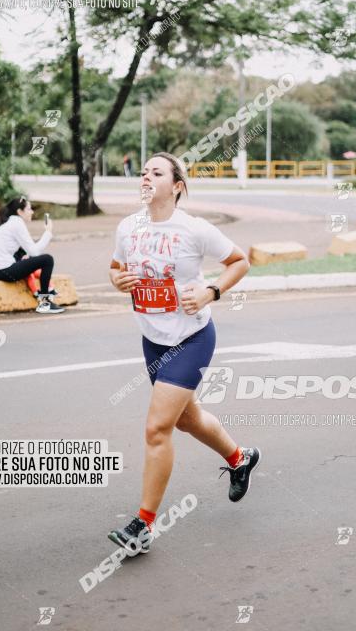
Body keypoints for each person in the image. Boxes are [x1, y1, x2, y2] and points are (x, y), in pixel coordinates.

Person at [107, 152, 260, 555]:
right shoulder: (127, 227)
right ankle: (240, 458)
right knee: (188, 420)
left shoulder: (194, 229)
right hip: (152, 337)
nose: (146, 176)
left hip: (191, 337)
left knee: (158, 428)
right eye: (143, 172)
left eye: (156, 172)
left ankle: (143, 525)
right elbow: (115, 267)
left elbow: (239, 260)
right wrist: (118, 280)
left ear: (176, 186)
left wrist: (211, 291)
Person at [0, 196, 64, 314]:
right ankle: (45, 303)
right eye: (29, 209)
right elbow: (34, 252)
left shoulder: (7, 222)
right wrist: (48, 232)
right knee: (47, 260)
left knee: (27, 257)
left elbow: (22, 250)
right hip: (3, 270)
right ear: (20, 212)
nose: (32, 212)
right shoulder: (17, 223)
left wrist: (25, 258)